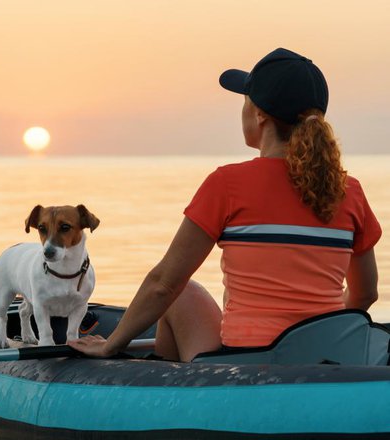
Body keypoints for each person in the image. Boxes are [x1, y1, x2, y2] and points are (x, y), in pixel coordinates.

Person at [68, 48, 382, 361]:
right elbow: (365, 293)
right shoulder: (349, 190)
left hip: (247, 364)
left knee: (180, 293)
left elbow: (163, 284)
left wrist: (110, 344)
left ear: (259, 114)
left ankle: (171, 393)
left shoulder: (227, 184)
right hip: (330, 359)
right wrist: (314, 338)